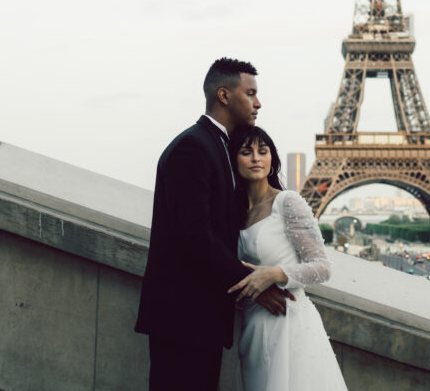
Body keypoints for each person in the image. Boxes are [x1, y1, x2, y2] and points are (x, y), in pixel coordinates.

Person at [135, 58, 294, 391]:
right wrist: (252, 283)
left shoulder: (217, 146)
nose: (258, 102)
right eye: (250, 93)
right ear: (224, 95)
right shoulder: (194, 147)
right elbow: (193, 234)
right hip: (184, 319)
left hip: (195, 318)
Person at [226, 126, 347, 391]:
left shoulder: (287, 202)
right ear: (234, 160)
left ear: (272, 158)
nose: (256, 158)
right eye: (246, 152)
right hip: (253, 328)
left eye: (263, 151)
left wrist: (275, 274)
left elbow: (323, 267)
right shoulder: (235, 214)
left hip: (289, 324)